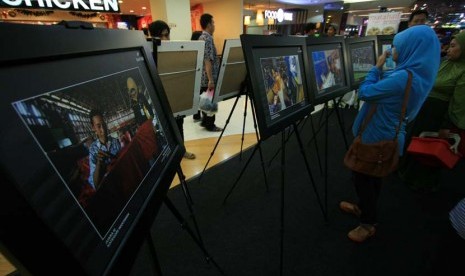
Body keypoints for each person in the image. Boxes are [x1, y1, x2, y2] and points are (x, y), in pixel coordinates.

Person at [340, 25, 440, 242]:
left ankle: (367, 223)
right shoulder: (417, 72)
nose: (392, 51)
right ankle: (365, 209)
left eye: (396, 47)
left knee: (363, 177)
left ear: (410, 49)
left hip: (376, 135)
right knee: (373, 175)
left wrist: (376, 68)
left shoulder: (402, 78)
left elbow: (365, 93)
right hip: (390, 134)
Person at [398, 31, 465, 193]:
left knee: (428, 147)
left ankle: (421, 181)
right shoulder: (445, 63)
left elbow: (459, 104)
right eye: (449, 45)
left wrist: (446, 124)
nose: (449, 49)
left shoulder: (462, 71)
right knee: (414, 140)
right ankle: (405, 172)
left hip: (438, 115)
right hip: (425, 109)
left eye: (454, 46)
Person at [148, 20, 196, 160]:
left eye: (167, 35)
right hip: (160, 97)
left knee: (179, 123)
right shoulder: (149, 53)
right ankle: (168, 154)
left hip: (174, 94)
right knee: (163, 128)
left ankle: (181, 150)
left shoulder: (172, 51)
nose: (166, 39)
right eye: (162, 36)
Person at [196, 13, 222, 132]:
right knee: (210, 101)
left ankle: (205, 121)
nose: (214, 25)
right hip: (208, 78)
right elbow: (208, 60)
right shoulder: (207, 38)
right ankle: (210, 125)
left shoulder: (201, 37)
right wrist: (211, 79)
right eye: (213, 23)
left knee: (205, 99)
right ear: (208, 24)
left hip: (203, 77)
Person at [88, 109, 122, 190]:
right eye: (99, 126)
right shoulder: (93, 150)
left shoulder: (115, 142)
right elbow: (95, 184)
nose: (103, 129)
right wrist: (99, 163)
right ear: (93, 128)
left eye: (103, 124)